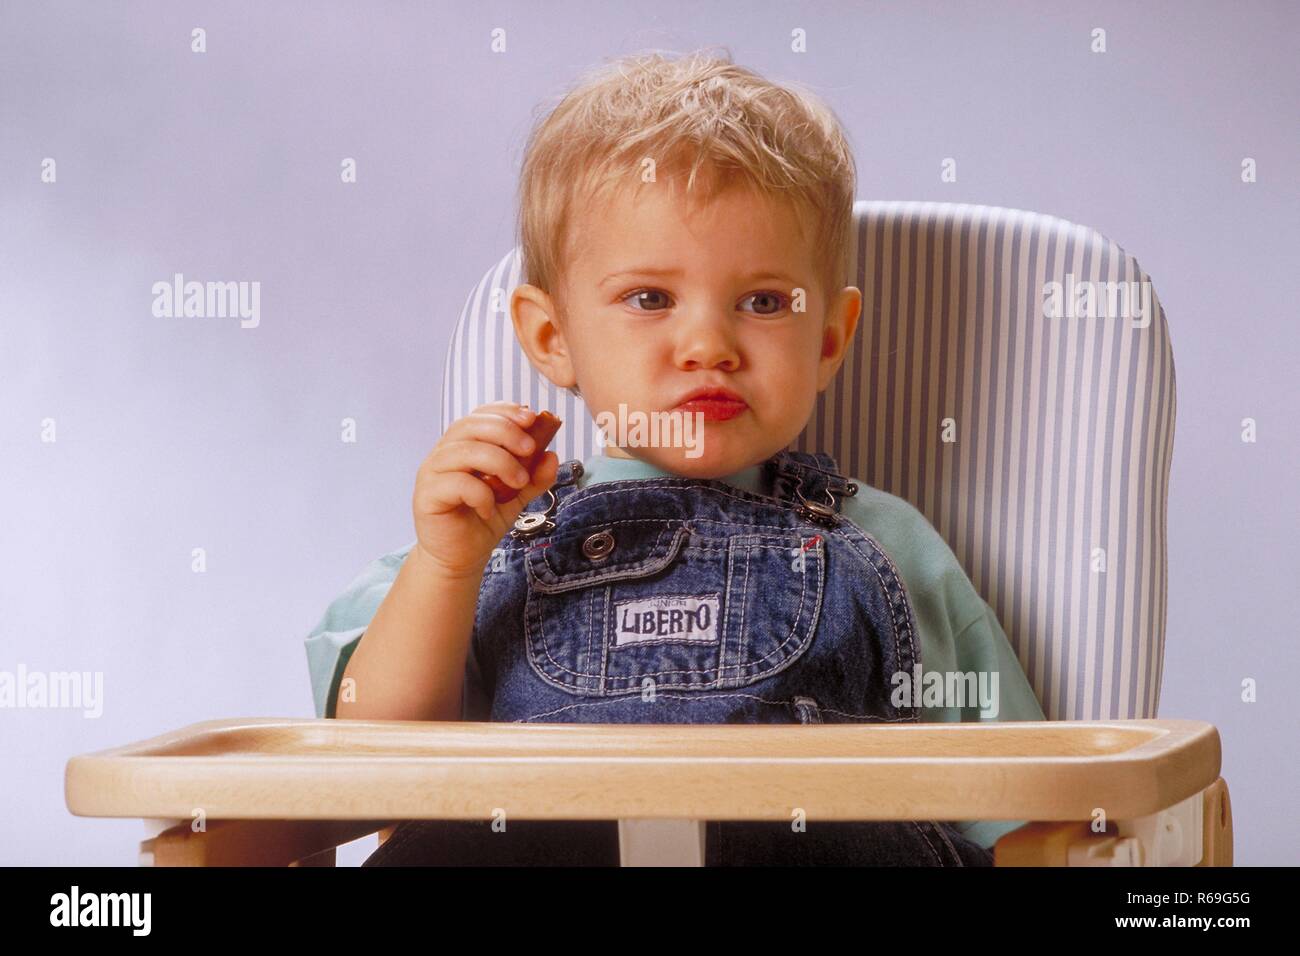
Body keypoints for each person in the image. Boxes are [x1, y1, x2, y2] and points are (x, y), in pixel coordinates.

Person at [305, 49, 1045, 866]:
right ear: (552, 338)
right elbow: (371, 773)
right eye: (649, 299)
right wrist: (446, 568)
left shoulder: (883, 541)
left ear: (829, 339)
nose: (708, 345)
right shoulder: (483, 540)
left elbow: (1020, 801)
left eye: (763, 302)